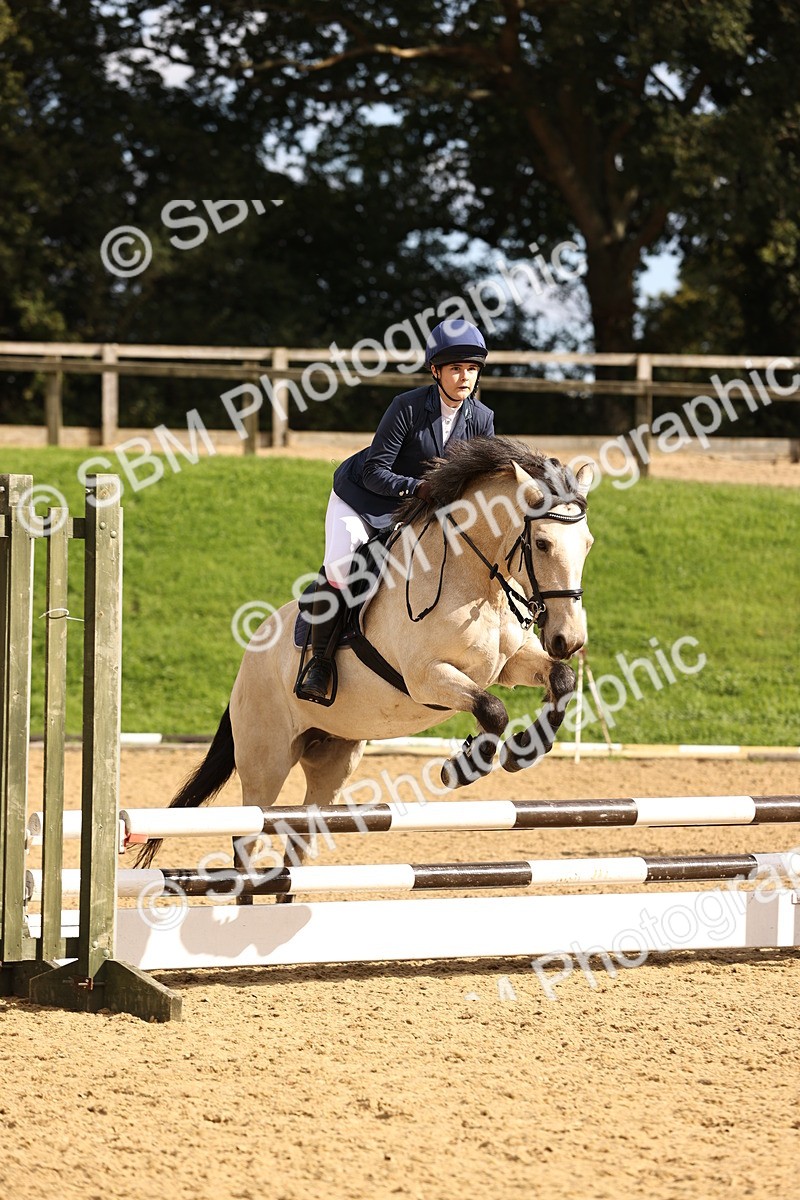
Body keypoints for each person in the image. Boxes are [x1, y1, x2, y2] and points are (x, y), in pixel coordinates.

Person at [298, 318, 494, 702]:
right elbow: (375, 471)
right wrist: (416, 488)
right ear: (435, 371)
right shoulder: (406, 407)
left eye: (472, 369)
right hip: (364, 498)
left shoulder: (482, 418)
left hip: (419, 508)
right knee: (341, 561)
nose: (465, 378)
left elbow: (479, 482)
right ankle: (320, 663)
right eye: (456, 368)